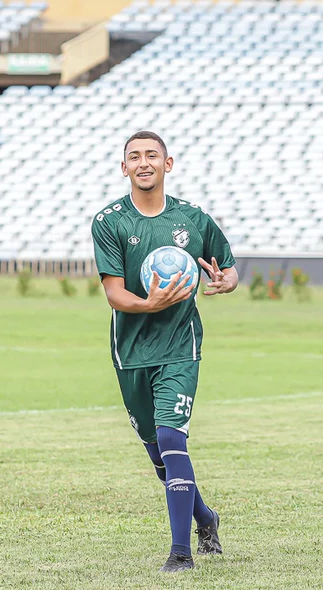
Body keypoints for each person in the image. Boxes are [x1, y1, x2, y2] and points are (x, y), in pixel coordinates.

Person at [91, 130, 239, 572]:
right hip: (131, 351)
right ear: (124, 168)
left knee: (174, 438)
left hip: (180, 345)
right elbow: (114, 293)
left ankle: (181, 554)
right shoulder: (109, 222)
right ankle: (205, 516)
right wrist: (148, 304)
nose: (143, 163)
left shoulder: (194, 219)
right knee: (159, 455)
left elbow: (229, 271)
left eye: (151, 155)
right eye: (134, 157)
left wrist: (224, 282)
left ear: (167, 164)